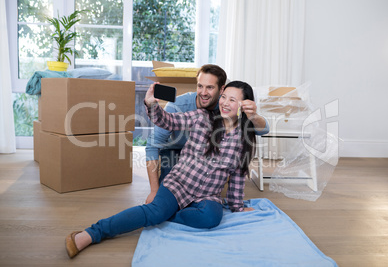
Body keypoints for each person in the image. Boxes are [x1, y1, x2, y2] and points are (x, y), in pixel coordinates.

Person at [65, 80, 258, 259]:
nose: (224, 102)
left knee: (211, 217)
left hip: (208, 195)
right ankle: (92, 233)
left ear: (245, 105)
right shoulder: (202, 118)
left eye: (232, 100)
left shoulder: (244, 141)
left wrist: (237, 207)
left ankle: (169, 214)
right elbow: (169, 121)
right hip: (179, 184)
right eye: (224, 97)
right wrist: (152, 105)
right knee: (155, 212)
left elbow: (237, 177)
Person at [145, 64, 269, 204]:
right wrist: (154, 191)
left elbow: (263, 130)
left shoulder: (224, 106)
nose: (203, 92)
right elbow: (152, 146)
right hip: (175, 152)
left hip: (206, 154)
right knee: (168, 197)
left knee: (203, 198)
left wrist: (253, 115)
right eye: (200, 86)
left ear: (221, 89)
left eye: (210, 87)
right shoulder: (178, 105)